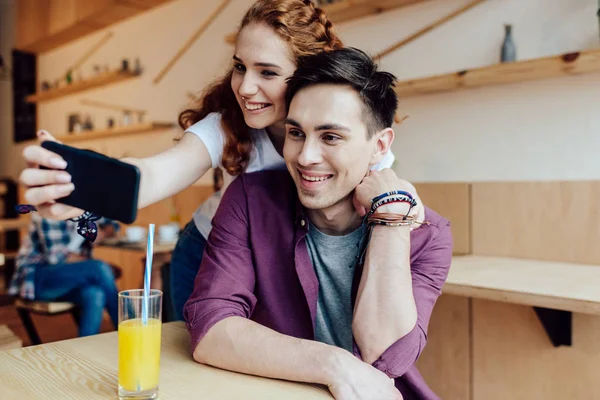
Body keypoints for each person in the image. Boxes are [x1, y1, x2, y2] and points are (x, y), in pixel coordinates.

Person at [18, 0, 395, 320]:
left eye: (267, 72)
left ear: (307, 76)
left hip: (283, 264)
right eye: (240, 66)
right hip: (206, 251)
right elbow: (156, 173)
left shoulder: (352, 138)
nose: (245, 87)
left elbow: (383, 194)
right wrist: (84, 187)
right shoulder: (227, 126)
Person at [184, 47, 453, 400]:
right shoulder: (250, 200)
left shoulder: (427, 233)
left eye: (330, 137)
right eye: (296, 133)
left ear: (380, 145)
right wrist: (332, 364)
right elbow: (211, 327)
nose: (306, 157)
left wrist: (390, 221)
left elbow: (386, 354)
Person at [8, 214, 120, 337]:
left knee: (94, 293)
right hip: (37, 279)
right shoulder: (49, 210)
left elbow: (113, 225)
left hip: (69, 280)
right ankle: (129, 329)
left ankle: (85, 349)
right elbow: (57, 258)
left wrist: (103, 232)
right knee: (100, 268)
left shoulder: (85, 206)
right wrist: (95, 269)